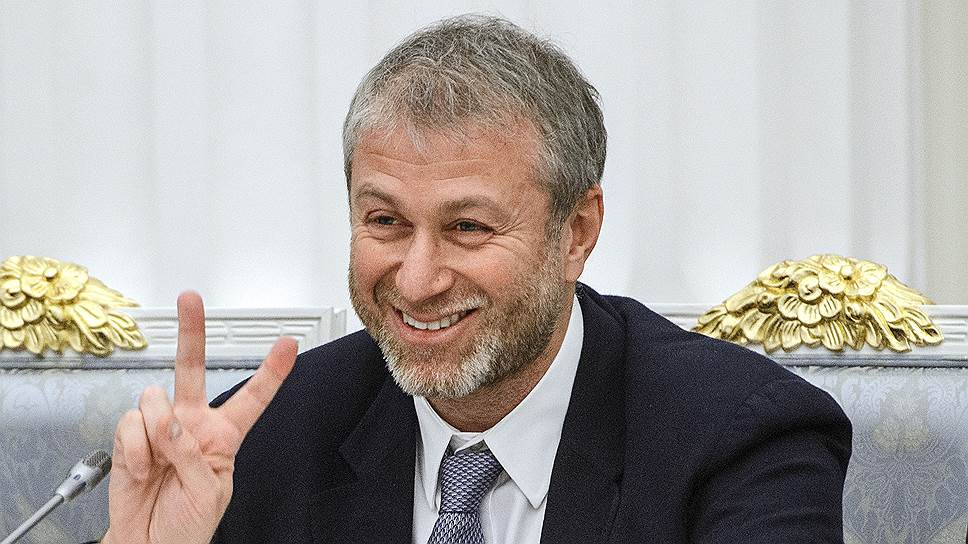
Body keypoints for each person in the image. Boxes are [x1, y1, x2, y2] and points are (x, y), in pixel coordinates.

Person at [98, 15, 851, 544]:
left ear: (576, 233)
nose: (418, 280)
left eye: (468, 227)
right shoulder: (260, 443)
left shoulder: (740, 439)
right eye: (386, 221)